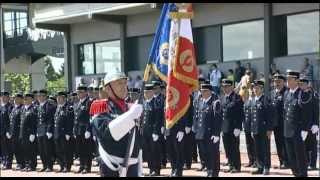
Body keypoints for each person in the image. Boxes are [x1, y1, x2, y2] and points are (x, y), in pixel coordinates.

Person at [90, 72, 143, 177]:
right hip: (111, 166)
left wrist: (139, 168)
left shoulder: (130, 107)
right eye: (119, 83)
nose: (124, 87)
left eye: (125, 83)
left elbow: (137, 140)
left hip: (132, 165)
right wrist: (130, 116)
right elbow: (108, 132)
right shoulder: (100, 106)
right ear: (108, 88)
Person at [283, 70, 313, 177]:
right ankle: (296, 174)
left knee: (300, 157)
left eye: (290, 79)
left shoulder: (302, 94)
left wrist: (305, 129)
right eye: (287, 79)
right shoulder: (286, 93)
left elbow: (307, 114)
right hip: (287, 130)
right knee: (291, 158)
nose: (288, 81)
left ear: (296, 81)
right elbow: (285, 112)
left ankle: (303, 174)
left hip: (298, 131)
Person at [198, 82, 222, 177]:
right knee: (205, 154)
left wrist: (216, 134)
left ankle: (214, 172)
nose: (202, 93)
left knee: (213, 154)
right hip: (202, 133)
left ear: (210, 92)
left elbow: (218, 119)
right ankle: (209, 170)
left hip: (211, 134)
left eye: (205, 91)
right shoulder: (201, 102)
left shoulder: (215, 103)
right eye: (201, 91)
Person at [250, 80, 273, 175]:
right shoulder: (254, 100)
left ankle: (266, 167)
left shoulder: (265, 100)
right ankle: (260, 166)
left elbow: (270, 115)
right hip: (255, 129)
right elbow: (253, 116)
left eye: (257, 88)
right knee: (257, 149)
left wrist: (269, 129)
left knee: (265, 149)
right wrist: (252, 129)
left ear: (262, 89)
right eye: (254, 88)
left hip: (264, 129)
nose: (255, 89)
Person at [220, 79, 243, 173]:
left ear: (232, 87)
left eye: (227, 86)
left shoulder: (237, 97)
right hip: (225, 127)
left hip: (234, 127)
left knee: (234, 147)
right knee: (227, 147)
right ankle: (230, 164)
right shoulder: (222, 98)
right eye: (224, 87)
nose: (225, 88)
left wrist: (238, 127)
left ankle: (236, 166)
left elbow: (240, 113)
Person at [141, 83, 162, 176]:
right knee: (148, 151)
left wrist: (156, 132)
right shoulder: (144, 102)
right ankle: (151, 168)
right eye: (144, 92)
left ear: (151, 92)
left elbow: (158, 119)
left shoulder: (156, 103)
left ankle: (156, 169)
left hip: (153, 132)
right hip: (145, 132)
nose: (145, 94)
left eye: (147, 92)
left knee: (155, 151)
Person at [299, 78, 319, 170]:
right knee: (304, 146)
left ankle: (313, 164)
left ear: (307, 84)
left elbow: (316, 111)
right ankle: (306, 163)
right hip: (301, 125)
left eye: (303, 84)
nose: (301, 85)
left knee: (312, 146)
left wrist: (316, 124)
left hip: (311, 125)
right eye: (300, 84)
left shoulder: (313, 95)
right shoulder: (299, 94)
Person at [270, 74, 289, 169]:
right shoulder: (272, 93)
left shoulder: (287, 92)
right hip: (275, 123)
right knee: (278, 142)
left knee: (285, 143)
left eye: (279, 82)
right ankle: (281, 161)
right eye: (275, 81)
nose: (276, 83)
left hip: (284, 122)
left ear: (283, 82)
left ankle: (287, 162)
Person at [74, 84, 94, 174]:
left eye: (81, 92)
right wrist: (74, 130)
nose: (79, 94)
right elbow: (76, 118)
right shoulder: (78, 103)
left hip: (85, 129)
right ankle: (82, 165)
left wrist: (88, 130)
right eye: (78, 92)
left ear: (85, 93)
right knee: (80, 149)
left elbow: (91, 117)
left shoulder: (89, 102)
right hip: (78, 129)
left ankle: (87, 167)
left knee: (87, 149)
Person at [54, 91, 74, 172]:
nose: (58, 99)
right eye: (57, 98)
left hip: (64, 133)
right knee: (59, 150)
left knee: (66, 151)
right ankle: (62, 165)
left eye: (60, 98)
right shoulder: (58, 107)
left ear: (64, 98)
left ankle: (67, 166)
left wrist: (68, 133)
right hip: (57, 132)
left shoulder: (68, 108)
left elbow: (70, 121)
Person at [36, 89, 56, 172]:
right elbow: (37, 120)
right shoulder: (38, 106)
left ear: (45, 97)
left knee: (47, 149)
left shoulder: (50, 106)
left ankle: (49, 166)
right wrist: (36, 131)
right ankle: (44, 165)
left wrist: (49, 131)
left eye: (42, 96)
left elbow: (51, 120)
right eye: (39, 96)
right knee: (41, 150)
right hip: (39, 130)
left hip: (46, 130)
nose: (40, 97)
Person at [19, 93, 38, 171]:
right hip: (23, 133)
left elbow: (35, 122)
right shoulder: (23, 109)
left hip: (30, 133)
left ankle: (32, 165)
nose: (26, 100)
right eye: (25, 99)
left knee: (31, 150)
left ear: (32, 99)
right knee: (25, 150)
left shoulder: (34, 108)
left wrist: (33, 133)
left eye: (28, 98)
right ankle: (27, 164)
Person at [7, 93, 24, 171]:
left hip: (19, 132)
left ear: (21, 100)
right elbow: (11, 121)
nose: (15, 100)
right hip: (13, 132)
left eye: (17, 98)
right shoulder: (14, 108)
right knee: (15, 149)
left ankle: (21, 163)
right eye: (15, 98)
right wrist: (9, 131)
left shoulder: (22, 108)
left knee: (20, 149)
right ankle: (18, 163)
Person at [242, 86, 256, 168]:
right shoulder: (247, 101)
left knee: (254, 145)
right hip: (247, 126)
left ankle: (256, 161)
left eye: (253, 90)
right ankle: (251, 160)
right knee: (248, 145)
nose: (252, 91)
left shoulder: (256, 101)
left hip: (253, 127)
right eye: (251, 90)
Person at [0, 91, 13, 169]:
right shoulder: (1, 107)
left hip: (6, 131)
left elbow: (10, 121)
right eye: (2, 97)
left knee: (8, 148)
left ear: (8, 98)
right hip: (1, 131)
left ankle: (8, 163)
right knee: (3, 148)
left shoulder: (10, 107)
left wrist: (9, 131)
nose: (4, 98)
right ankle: (4, 161)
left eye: (5, 97)